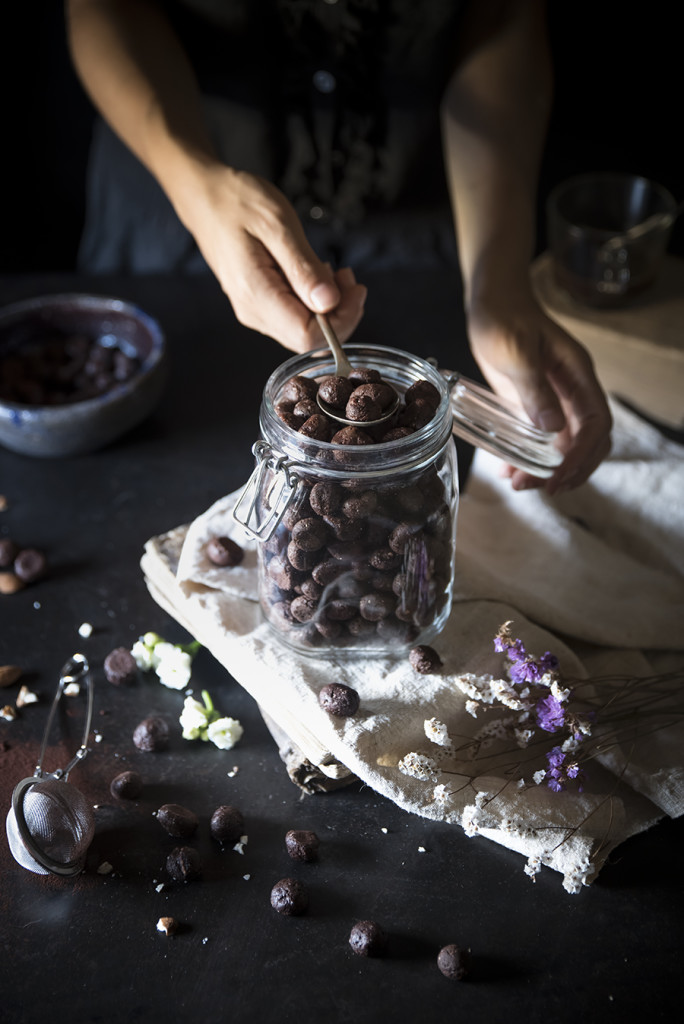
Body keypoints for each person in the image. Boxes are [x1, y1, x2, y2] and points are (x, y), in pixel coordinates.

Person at [65, 0, 612, 493]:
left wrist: (502, 287)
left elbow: (503, 15)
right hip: (175, 199)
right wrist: (194, 184)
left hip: (429, 208)